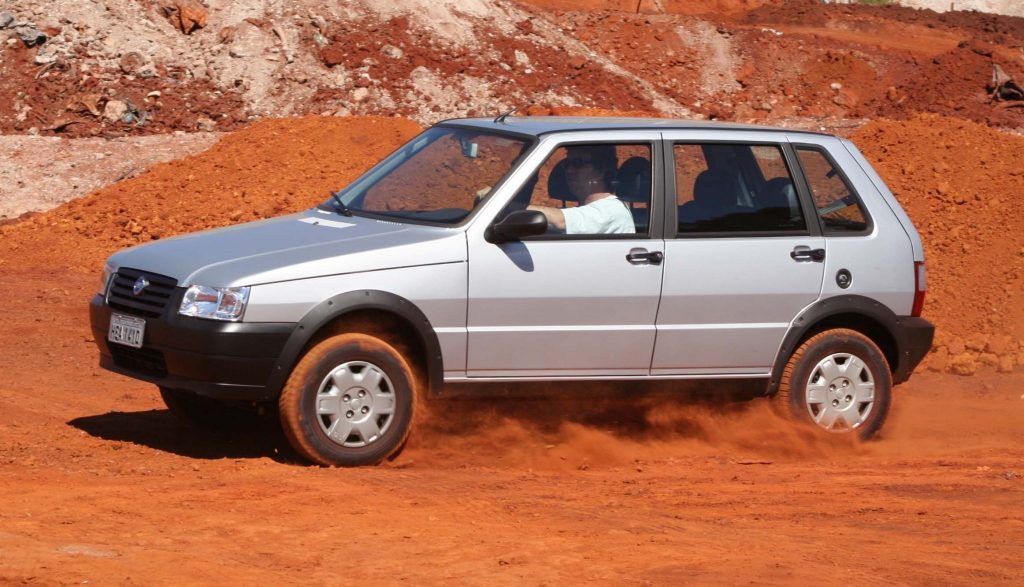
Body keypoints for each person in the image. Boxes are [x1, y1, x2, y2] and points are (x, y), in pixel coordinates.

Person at [529, 145, 635, 234]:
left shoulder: (611, 211)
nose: (569, 170)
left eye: (577, 163)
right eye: (567, 164)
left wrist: (514, 208)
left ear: (601, 170)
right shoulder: (588, 209)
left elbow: (559, 221)